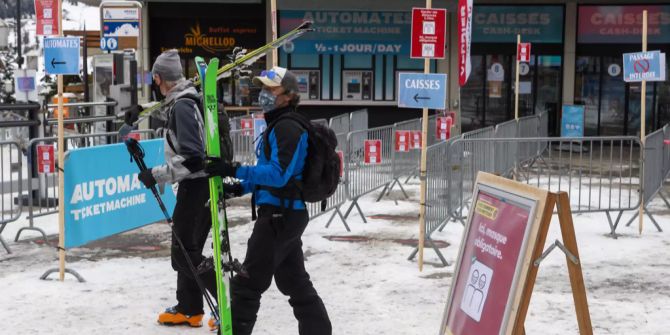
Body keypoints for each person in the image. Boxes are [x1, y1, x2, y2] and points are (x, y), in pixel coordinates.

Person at [206, 66, 332, 335]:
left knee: (247, 284)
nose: (263, 94)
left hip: (279, 216)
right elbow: (269, 173)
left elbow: (278, 175)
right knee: (294, 281)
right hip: (285, 214)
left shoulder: (286, 127)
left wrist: (234, 168)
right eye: (262, 87)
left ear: (287, 95)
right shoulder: (278, 124)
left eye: (270, 89)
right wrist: (239, 187)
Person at [132, 49, 218, 328]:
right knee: (187, 247)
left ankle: (232, 302)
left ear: (159, 78)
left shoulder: (182, 106)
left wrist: (156, 175)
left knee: (183, 252)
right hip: (196, 186)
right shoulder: (181, 101)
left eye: (154, 79)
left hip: (197, 186)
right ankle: (189, 307)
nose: (154, 84)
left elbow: (194, 160)